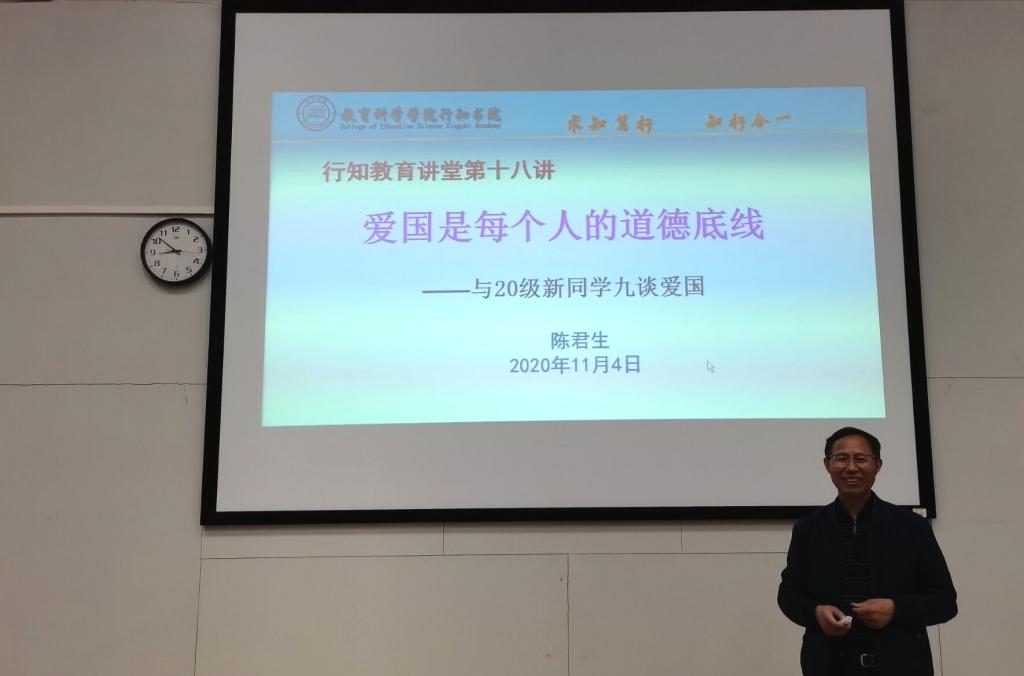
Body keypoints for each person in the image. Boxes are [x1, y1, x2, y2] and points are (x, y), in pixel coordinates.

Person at [778, 427, 957, 675]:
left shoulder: (912, 527)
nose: (851, 467)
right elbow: (789, 595)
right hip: (829, 665)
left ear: (878, 465)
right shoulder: (808, 529)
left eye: (861, 459)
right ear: (827, 465)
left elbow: (945, 602)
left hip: (902, 666)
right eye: (841, 458)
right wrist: (815, 612)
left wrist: (895, 609)